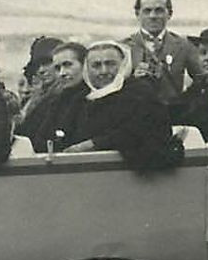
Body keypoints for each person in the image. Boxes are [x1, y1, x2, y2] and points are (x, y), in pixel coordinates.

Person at [59, 40, 178, 168]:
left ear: (123, 65)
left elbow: (142, 131)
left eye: (110, 64)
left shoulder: (140, 93)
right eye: (96, 65)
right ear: (87, 69)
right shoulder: (79, 100)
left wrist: (94, 144)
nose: (103, 71)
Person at [123, 0, 203, 109]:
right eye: (147, 11)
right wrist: (133, 80)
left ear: (169, 13)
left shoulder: (184, 45)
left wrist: (185, 102)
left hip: (172, 115)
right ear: (137, 14)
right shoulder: (125, 47)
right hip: (133, 115)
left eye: (159, 10)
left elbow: (203, 79)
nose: (153, 16)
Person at [26, 41, 89, 152]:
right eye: (58, 68)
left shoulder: (95, 97)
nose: (62, 73)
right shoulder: (57, 101)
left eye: (68, 65)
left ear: (85, 64)